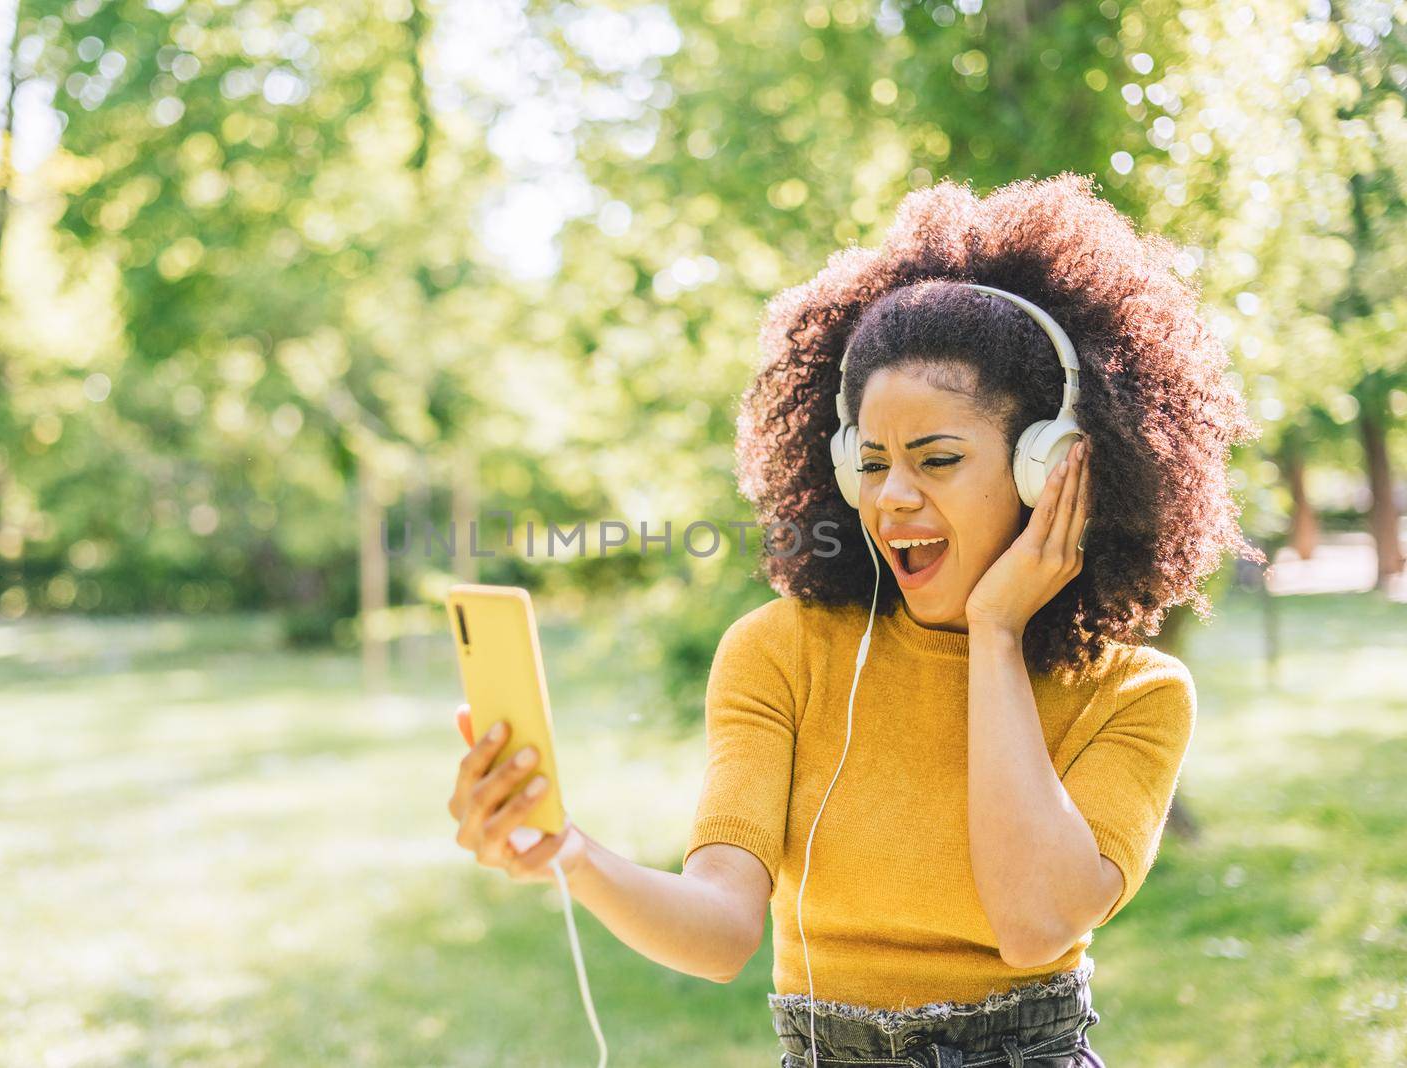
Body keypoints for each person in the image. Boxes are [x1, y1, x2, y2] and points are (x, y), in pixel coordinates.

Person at [445, 172, 1263, 1066]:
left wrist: (993, 634)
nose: (894, 498)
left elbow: (1035, 925)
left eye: (937, 458)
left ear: (1051, 469)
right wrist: (569, 854)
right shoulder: (781, 654)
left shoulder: (1136, 693)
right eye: (871, 462)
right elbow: (720, 930)